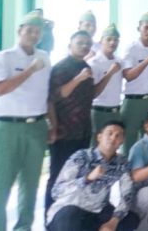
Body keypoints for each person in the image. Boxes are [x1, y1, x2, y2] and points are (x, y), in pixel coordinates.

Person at [0, 11, 52, 231]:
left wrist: (52, 124)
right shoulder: (4, 57)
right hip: (7, 128)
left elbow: (47, 94)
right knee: (1, 184)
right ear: (20, 30)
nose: (34, 34)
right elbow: (0, 89)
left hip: (37, 126)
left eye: (38, 31)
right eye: (30, 30)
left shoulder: (44, 56)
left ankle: (24, 227)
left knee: (30, 184)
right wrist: (30, 70)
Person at [46, 120, 138, 231]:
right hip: (68, 209)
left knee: (131, 219)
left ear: (122, 141)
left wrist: (114, 221)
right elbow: (57, 191)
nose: (113, 138)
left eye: (118, 136)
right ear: (99, 137)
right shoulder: (81, 157)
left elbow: (127, 194)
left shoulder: (122, 163)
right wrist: (87, 179)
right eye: (109, 133)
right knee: (70, 216)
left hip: (96, 212)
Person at [46, 30, 96, 211]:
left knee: (80, 176)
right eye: (80, 43)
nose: (84, 46)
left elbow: (90, 96)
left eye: (87, 44)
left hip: (83, 131)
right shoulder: (60, 68)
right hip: (63, 132)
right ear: (70, 46)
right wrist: (79, 78)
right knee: (58, 176)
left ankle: (72, 215)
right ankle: (51, 216)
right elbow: (57, 95)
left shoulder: (86, 67)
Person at [121, 11, 148, 151]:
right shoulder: (131, 48)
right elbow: (128, 75)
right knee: (129, 143)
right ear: (139, 27)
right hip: (134, 102)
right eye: (147, 27)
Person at [90, 24, 124, 141]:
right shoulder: (94, 63)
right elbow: (93, 93)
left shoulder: (119, 61)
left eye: (115, 40)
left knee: (114, 144)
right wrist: (110, 73)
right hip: (99, 111)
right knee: (96, 146)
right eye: (109, 39)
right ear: (101, 41)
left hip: (115, 110)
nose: (112, 43)